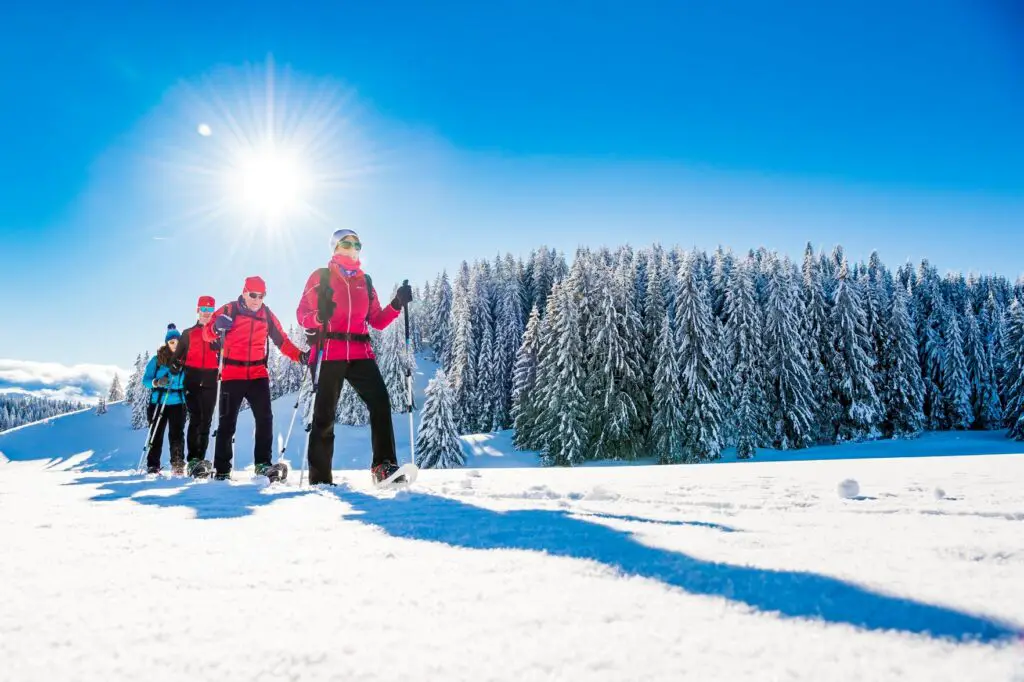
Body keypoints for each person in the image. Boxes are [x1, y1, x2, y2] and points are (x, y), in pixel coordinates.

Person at [296, 228, 413, 486]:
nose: (353, 248)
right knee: (324, 415)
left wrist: (396, 304)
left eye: (357, 244)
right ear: (335, 248)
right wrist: (318, 316)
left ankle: (383, 467)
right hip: (330, 351)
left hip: (361, 352)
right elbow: (302, 314)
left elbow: (377, 321)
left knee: (380, 401)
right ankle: (320, 479)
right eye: (347, 243)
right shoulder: (321, 277)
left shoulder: (365, 281)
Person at [202, 276, 307, 481]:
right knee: (226, 422)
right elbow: (207, 334)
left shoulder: (266, 315)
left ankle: (262, 464)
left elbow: (282, 341)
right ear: (244, 292)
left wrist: (300, 356)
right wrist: (215, 328)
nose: (257, 300)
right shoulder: (229, 310)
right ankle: (222, 469)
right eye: (253, 295)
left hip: (258, 374)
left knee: (265, 418)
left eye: (261, 296)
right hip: (232, 374)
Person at [170, 295, 220, 478]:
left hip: (211, 379)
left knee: (206, 419)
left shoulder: (218, 333)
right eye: (203, 310)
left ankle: (201, 461)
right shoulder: (188, 333)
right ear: (198, 311)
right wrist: (175, 365)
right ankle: (192, 460)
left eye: (210, 310)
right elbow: (176, 359)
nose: (206, 314)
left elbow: (225, 354)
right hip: (192, 377)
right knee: (196, 417)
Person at [142, 324, 187, 475]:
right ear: (167, 343)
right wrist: (157, 382)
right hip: (159, 401)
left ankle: (178, 464)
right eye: (171, 342)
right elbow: (146, 380)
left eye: (177, 342)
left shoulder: (185, 359)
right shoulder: (157, 359)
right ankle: (153, 465)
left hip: (177, 402)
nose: (175, 345)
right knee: (156, 433)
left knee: (177, 435)